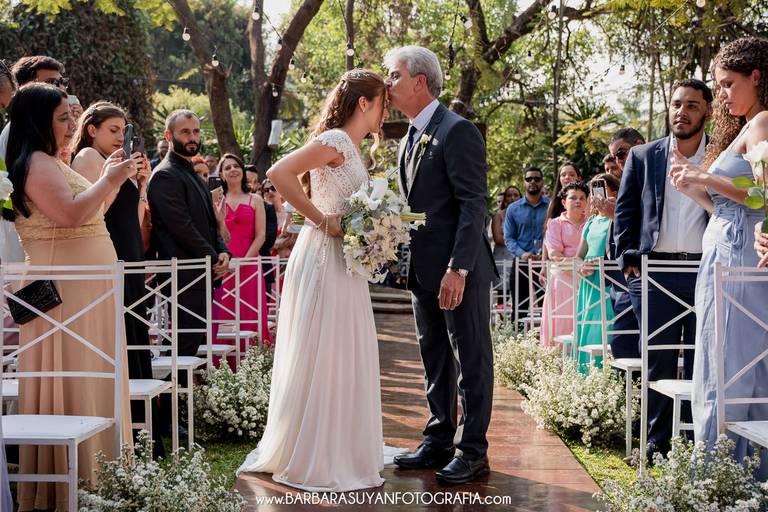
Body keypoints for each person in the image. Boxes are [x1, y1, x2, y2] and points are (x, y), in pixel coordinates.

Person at [237, 69, 390, 491]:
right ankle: (318, 451)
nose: (384, 114)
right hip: (324, 253)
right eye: (382, 104)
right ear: (364, 103)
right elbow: (279, 173)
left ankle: (341, 445)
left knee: (340, 349)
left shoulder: (353, 148)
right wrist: (323, 220)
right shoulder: (336, 140)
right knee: (326, 348)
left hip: (345, 260)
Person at [6, 83, 135, 510]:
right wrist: (109, 179)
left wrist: (111, 179)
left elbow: (92, 210)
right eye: (62, 118)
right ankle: (76, 479)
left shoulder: (52, 160)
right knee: (76, 372)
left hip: (87, 285)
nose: (69, 125)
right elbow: (71, 214)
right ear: (37, 121)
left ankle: (103, 473)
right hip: (66, 289)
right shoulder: (36, 163)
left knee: (95, 370)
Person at [384, 46, 495, 485]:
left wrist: (458, 268)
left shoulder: (457, 130)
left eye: (394, 75)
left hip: (458, 271)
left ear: (419, 81)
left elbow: (473, 205)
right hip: (422, 271)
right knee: (434, 358)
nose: (387, 83)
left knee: (470, 359)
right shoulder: (409, 136)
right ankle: (438, 438)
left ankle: (473, 451)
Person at [668, 38, 768, 473]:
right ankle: (725, 470)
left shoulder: (763, 122)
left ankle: (723, 471)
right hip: (721, 249)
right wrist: (696, 189)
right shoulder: (745, 127)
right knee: (715, 357)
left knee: (731, 363)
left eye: (728, 84)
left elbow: (763, 196)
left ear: (756, 77)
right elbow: (726, 206)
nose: (722, 94)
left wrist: (706, 176)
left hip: (741, 256)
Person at [614, 79, 713, 460]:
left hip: (705, 270)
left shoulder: (719, 155)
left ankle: (696, 443)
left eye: (691, 105)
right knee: (658, 358)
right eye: (676, 104)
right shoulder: (644, 156)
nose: (681, 112)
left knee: (701, 358)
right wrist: (629, 263)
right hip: (653, 273)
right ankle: (656, 442)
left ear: (707, 110)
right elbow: (625, 211)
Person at [69, 101, 164, 456]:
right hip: (107, 253)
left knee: (134, 336)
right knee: (117, 338)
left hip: (130, 253)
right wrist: (117, 176)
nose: (119, 137)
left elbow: (133, 219)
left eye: (123, 131)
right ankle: (119, 433)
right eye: (113, 130)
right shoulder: (88, 158)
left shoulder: (117, 164)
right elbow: (96, 211)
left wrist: (142, 183)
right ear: (91, 129)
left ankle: (141, 435)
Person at [147, 110, 230, 357]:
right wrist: (213, 258)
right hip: (181, 274)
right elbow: (181, 227)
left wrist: (223, 253)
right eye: (185, 132)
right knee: (183, 351)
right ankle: (176, 386)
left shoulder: (192, 174)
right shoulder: (165, 175)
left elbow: (210, 223)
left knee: (192, 349)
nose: (192, 137)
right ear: (168, 136)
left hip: (200, 271)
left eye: (195, 131)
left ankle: (185, 385)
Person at [212, 152, 272, 362]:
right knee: (225, 315)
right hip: (224, 265)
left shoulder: (255, 199)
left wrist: (244, 261)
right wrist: (220, 219)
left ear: (243, 171)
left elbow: (261, 235)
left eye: (236, 166)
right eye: (227, 167)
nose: (233, 170)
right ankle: (224, 366)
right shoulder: (217, 201)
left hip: (249, 266)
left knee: (250, 315)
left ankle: (254, 364)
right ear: (221, 174)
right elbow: (220, 236)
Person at [574, 174, 621, 373]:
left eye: (600, 189)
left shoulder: (618, 219)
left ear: (614, 193)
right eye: (592, 190)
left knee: (605, 328)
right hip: (589, 282)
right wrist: (581, 266)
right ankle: (586, 376)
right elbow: (579, 255)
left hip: (609, 281)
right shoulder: (591, 221)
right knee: (588, 327)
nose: (595, 195)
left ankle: (605, 376)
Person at [540, 181, 588, 348]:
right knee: (562, 322)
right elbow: (554, 255)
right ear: (563, 202)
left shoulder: (592, 222)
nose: (578, 201)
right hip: (563, 278)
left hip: (589, 276)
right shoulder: (555, 223)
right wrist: (579, 267)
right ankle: (559, 355)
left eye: (582, 198)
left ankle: (585, 355)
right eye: (573, 198)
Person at [504, 166, 550, 319]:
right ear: (524, 182)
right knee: (519, 310)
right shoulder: (513, 209)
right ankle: (516, 334)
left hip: (545, 264)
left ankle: (546, 335)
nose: (533, 182)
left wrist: (546, 254)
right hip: (521, 263)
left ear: (542, 182)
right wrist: (523, 254)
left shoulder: (551, 206)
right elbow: (509, 238)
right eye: (529, 179)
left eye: (537, 179)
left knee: (548, 308)